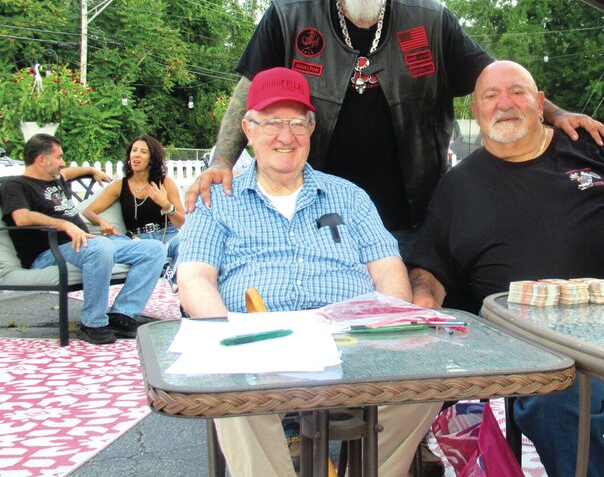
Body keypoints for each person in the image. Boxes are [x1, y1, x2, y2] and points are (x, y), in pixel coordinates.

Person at [185, 0, 604, 259]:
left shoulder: (429, 17)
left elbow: (494, 78)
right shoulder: (290, 13)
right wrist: (222, 162)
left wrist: (553, 113)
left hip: (412, 217)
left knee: (402, 330)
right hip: (314, 214)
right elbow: (250, 89)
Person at [407, 61, 604, 477]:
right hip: (539, 336)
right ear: (476, 111)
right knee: (555, 400)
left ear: (539, 102)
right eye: (491, 96)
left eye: (517, 92)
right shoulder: (459, 186)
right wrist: (424, 307)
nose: (505, 104)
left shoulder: (594, 148)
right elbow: (430, 267)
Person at [176, 67, 441, 477]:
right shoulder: (218, 200)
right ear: (248, 128)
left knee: (427, 378)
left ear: (312, 127)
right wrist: (226, 334)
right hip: (257, 342)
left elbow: (389, 269)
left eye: (297, 122)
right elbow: (194, 277)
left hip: (350, 342)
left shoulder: (349, 196)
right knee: (230, 391)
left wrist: (389, 324)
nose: (286, 136)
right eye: (272, 122)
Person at [0, 134, 167, 345]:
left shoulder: (54, 179)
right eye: (59, 157)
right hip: (50, 251)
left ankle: (122, 314)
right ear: (41, 160)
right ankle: (92, 323)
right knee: (101, 247)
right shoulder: (15, 185)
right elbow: (21, 217)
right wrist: (65, 225)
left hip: (84, 244)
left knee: (155, 249)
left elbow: (69, 172)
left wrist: (91, 170)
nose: (63, 163)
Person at [83, 134, 184, 261]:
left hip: (167, 236)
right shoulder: (120, 185)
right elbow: (88, 211)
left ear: (152, 159)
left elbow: (182, 223)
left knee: (185, 242)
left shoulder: (165, 183)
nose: (136, 155)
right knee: (113, 242)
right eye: (134, 150)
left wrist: (166, 205)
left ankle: (172, 277)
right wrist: (101, 221)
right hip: (138, 241)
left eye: (143, 152)